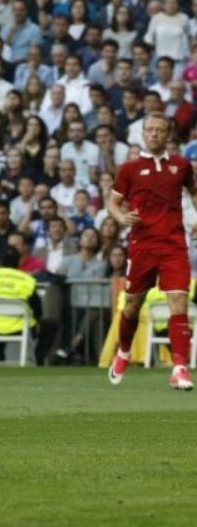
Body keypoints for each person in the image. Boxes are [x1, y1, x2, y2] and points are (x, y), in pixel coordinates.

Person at [107, 112, 197, 390]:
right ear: (143, 133)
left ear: (168, 134)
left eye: (160, 130)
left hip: (174, 245)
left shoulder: (181, 166)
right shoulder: (129, 169)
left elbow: (194, 194)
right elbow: (113, 203)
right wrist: (121, 218)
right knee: (132, 306)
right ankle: (123, 352)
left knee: (179, 302)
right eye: (150, 130)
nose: (155, 134)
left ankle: (180, 368)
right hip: (142, 246)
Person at [0, 247, 57, 365]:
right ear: (18, 262)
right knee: (52, 325)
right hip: (21, 328)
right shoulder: (27, 280)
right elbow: (37, 310)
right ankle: (38, 359)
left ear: (0, 261)